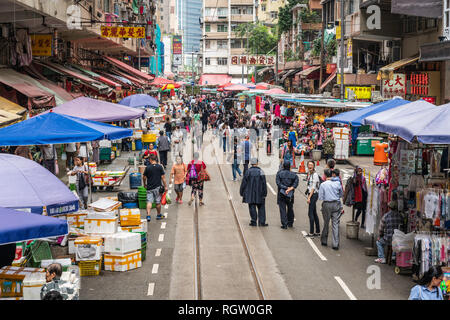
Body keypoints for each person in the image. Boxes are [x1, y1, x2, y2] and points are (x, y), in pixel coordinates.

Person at [318, 169, 343, 250]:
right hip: (336, 204)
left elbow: (321, 197)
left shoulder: (323, 184)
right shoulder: (338, 183)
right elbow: (341, 194)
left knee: (326, 223)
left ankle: (324, 240)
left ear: (325, 175)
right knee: (335, 224)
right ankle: (335, 244)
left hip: (326, 204)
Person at [240, 158, 268, 227]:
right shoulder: (261, 171)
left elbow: (244, 183)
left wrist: (241, 192)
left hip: (250, 193)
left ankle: (253, 221)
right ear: (257, 163)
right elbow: (264, 183)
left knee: (252, 207)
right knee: (261, 207)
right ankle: (262, 222)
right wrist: (265, 193)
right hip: (260, 193)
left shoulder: (248, 172)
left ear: (251, 163)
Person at [143, 154, 168, 221]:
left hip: (149, 187)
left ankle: (148, 216)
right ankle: (158, 215)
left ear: (150, 160)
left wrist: (144, 184)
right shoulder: (160, 167)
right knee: (158, 202)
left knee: (149, 202)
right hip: (158, 187)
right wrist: (165, 186)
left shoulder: (147, 167)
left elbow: (144, 177)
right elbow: (163, 178)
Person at [276, 160, 299, 229]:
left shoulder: (279, 173)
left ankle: (284, 224)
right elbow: (296, 183)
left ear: (283, 166)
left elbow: (278, 183)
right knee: (290, 208)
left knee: (282, 209)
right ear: (290, 166)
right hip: (290, 194)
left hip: (281, 193)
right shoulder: (294, 175)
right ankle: (290, 223)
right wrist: (290, 189)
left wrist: (285, 188)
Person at [305, 161, 321, 237]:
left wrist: (309, 197)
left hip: (313, 195)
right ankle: (317, 231)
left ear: (314, 166)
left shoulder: (315, 175)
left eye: (311, 165)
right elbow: (309, 185)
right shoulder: (309, 174)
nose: (310, 166)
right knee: (314, 213)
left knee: (310, 213)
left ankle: (311, 233)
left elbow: (313, 188)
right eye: (309, 165)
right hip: (311, 194)